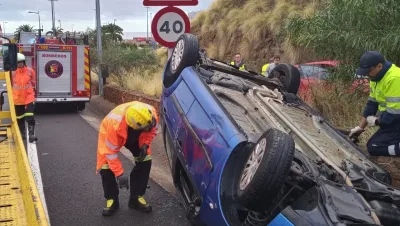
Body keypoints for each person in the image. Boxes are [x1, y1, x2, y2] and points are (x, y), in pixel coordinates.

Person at [96, 101, 159, 216]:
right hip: (110, 134)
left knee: (145, 160)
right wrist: (119, 174)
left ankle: (136, 198)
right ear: (134, 126)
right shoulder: (114, 125)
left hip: (135, 134)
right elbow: (111, 153)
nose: (148, 128)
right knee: (106, 166)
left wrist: (145, 144)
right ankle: (112, 200)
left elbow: (152, 130)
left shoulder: (150, 115)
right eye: (145, 128)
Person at [349, 51, 400, 156]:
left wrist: (377, 121)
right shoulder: (376, 78)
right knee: (372, 145)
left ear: (379, 66)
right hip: (392, 123)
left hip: (395, 121)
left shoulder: (394, 79)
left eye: (368, 71)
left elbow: (394, 115)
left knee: (374, 147)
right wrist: (360, 128)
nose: (367, 75)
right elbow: (371, 105)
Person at [12, 53, 38, 143]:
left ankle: (31, 134)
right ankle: (22, 133)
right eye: (18, 62)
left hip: (28, 98)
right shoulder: (12, 72)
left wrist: (33, 94)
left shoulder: (30, 71)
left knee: (30, 116)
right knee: (20, 118)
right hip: (17, 99)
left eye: (21, 62)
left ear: (24, 62)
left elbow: (33, 82)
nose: (20, 64)